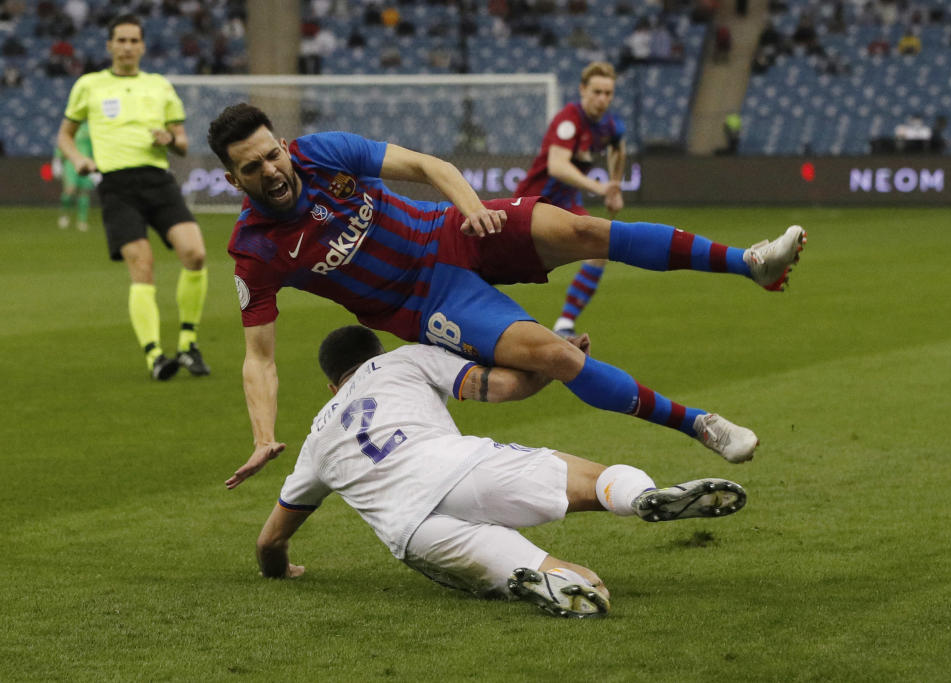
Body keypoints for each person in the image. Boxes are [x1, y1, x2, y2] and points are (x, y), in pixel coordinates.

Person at [207, 103, 807, 487]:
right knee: (558, 355)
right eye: (252, 168)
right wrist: (263, 437)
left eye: (271, 154)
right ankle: (701, 425)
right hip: (426, 303)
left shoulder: (323, 152)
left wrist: (470, 209)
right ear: (234, 180)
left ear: (283, 145)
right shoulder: (253, 248)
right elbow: (258, 355)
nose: (271, 171)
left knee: (583, 231)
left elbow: (426, 166)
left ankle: (749, 263)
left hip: (452, 231)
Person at [246, 325, 749, 618]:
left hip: (413, 531)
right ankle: (641, 496)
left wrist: (283, 570)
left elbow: (269, 543)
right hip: (460, 468)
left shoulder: (316, 439)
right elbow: (501, 386)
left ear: (333, 387)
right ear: (375, 355)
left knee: (587, 586)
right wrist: (553, 363)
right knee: (591, 482)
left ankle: (545, 578)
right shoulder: (405, 359)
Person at [56, 13, 211, 381]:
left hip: (158, 179)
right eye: (120, 40)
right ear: (109, 45)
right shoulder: (89, 85)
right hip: (116, 185)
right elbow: (65, 134)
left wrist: (170, 140)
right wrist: (78, 159)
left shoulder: (159, 86)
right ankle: (155, 355)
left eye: (133, 40)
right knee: (142, 265)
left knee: (196, 253)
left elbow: (184, 143)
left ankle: (188, 344)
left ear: (142, 46)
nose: (127, 47)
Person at [512, 62, 626, 339]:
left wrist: (615, 187)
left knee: (601, 247)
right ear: (583, 90)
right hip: (533, 203)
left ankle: (564, 324)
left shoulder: (609, 124)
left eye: (608, 93)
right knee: (501, 266)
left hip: (565, 203)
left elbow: (618, 149)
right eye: (597, 92)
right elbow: (558, 166)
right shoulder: (568, 120)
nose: (603, 99)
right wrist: (600, 188)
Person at [52, 120, 94, 231]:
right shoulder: (70, 125)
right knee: (70, 190)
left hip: (86, 161)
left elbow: (94, 147)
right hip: (70, 162)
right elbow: (62, 141)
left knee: (84, 191)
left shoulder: (90, 128)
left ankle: (82, 221)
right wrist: (57, 160)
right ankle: (65, 214)